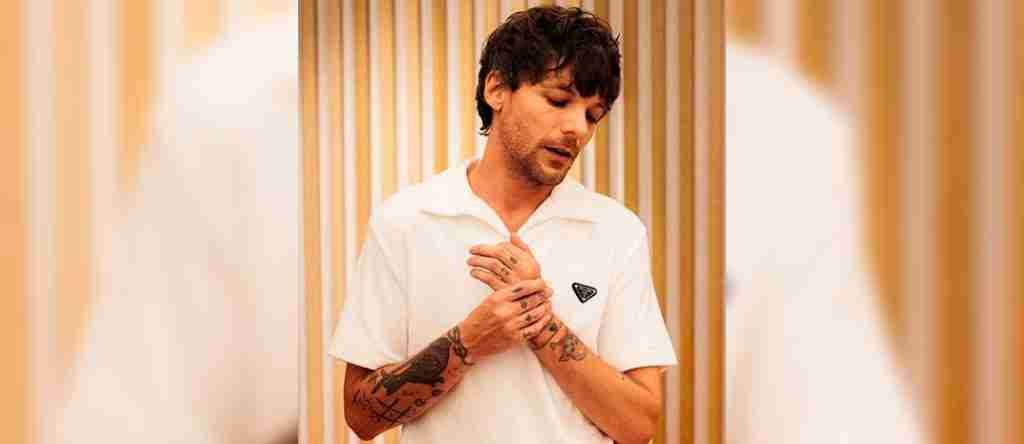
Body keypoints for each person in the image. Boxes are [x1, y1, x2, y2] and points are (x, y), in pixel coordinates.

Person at [329, 6, 677, 444]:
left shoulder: (616, 232)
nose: (577, 129)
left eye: (593, 115)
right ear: (496, 89)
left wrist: (542, 325)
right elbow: (362, 416)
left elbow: (639, 425)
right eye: (559, 101)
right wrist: (471, 339)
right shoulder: (406, 221)